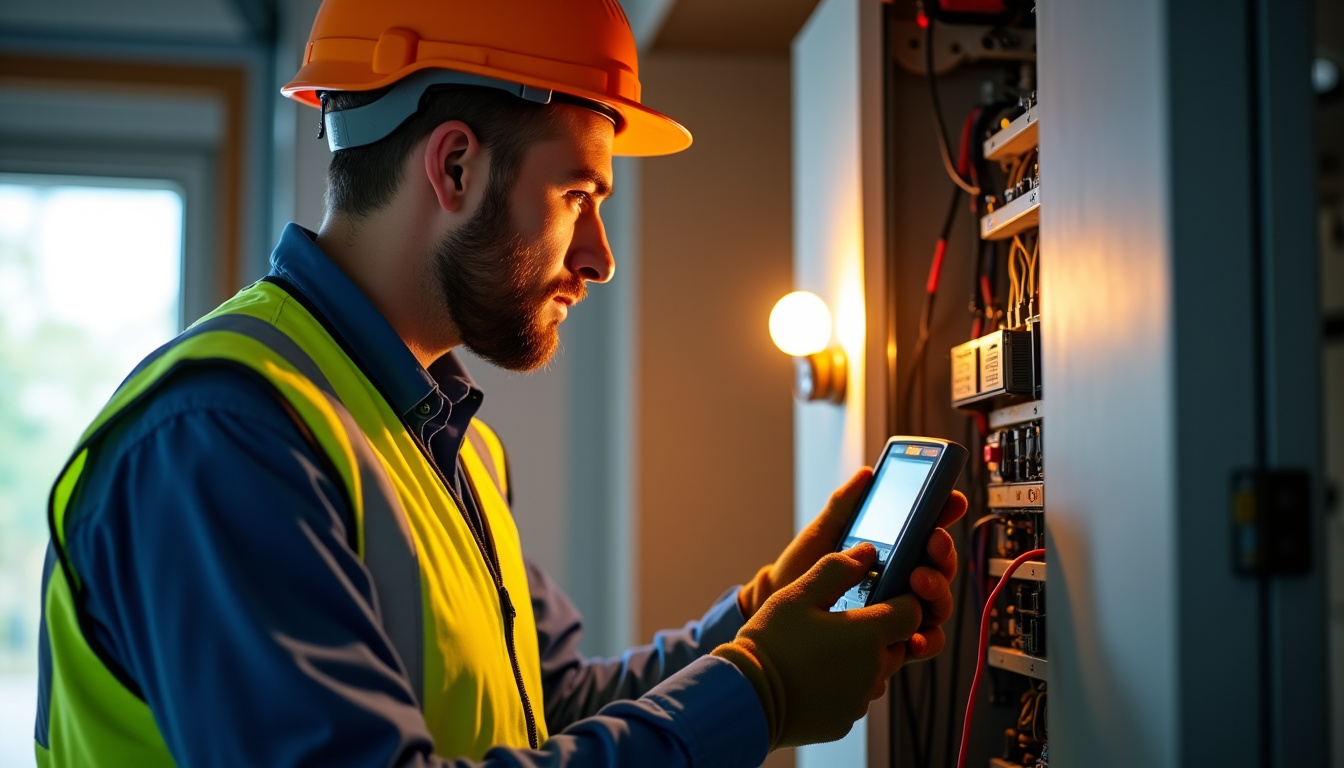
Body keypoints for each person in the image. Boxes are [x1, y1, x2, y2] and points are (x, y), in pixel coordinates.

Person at [33, 1, 968, 766]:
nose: (600, 258)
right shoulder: (221, 438)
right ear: (454, 166)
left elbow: (552, 707)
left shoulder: (449, 439)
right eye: (578, 197)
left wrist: (762, 613)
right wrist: (759, 690)